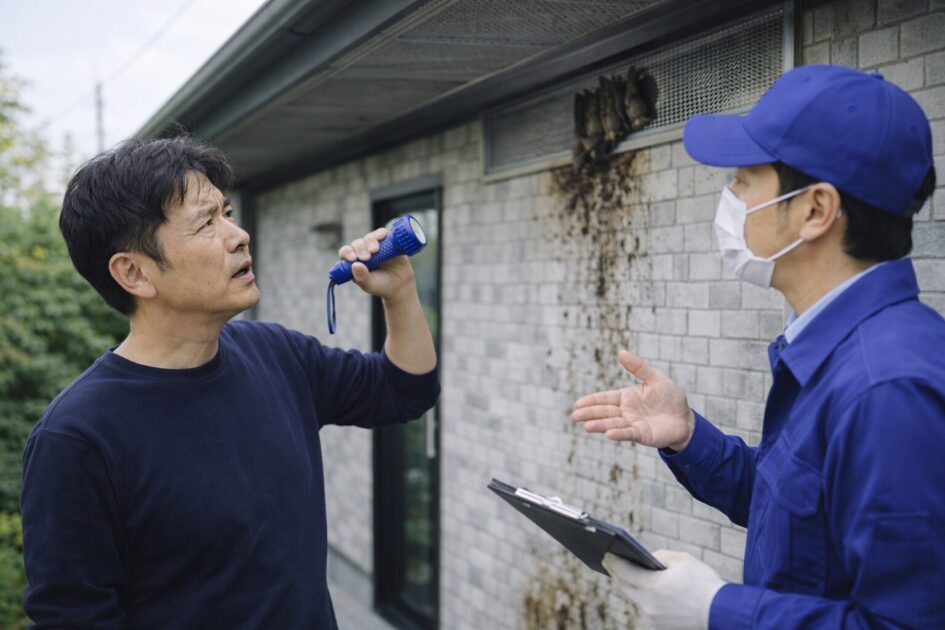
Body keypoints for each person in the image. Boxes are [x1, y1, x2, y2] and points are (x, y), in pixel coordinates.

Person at [572, 64, 944, 629]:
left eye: (744, 179)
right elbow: (800, 524)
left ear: (815, 210)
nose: (729, 197)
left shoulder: (889, 388)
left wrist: (717, 609)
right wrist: (689, 437)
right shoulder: (835, 350)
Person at [20, 136, 439, 628]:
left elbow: (405, 390)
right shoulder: (77, 437)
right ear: (134, 272)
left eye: (228, 213)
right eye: (206, 222)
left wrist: (401, 292)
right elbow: (74, 616)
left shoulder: (278, 355)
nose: (237, 235)